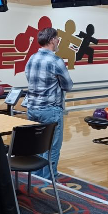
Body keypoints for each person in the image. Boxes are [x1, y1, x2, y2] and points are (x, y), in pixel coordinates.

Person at [25, 27, 74, 179]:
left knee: (37, 144)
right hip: (50, 110)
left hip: (32, 109)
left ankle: (36, 176)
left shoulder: (32, 58)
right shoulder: (56, 61)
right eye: (57, 38)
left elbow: (29, 79)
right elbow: (68, 85)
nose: (59, 40)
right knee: (52, 146)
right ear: (52, 40)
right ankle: (48, 179)